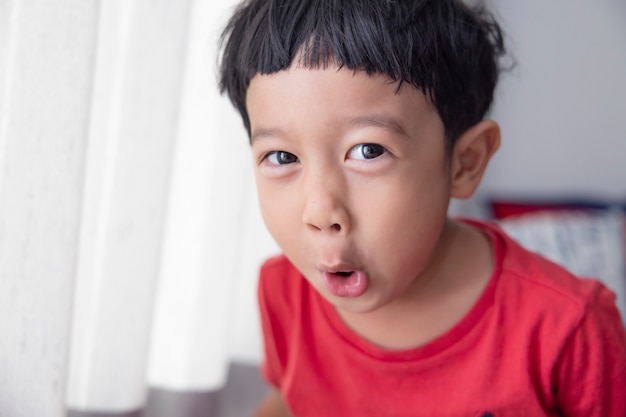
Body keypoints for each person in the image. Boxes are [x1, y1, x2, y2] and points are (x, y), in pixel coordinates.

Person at [217, 0, 626, 415]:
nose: (320, 213)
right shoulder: (283, 292)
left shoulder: (572, 328)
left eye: (368, 150)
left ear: (464, 162)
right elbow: (289, 402)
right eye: (282, 157)